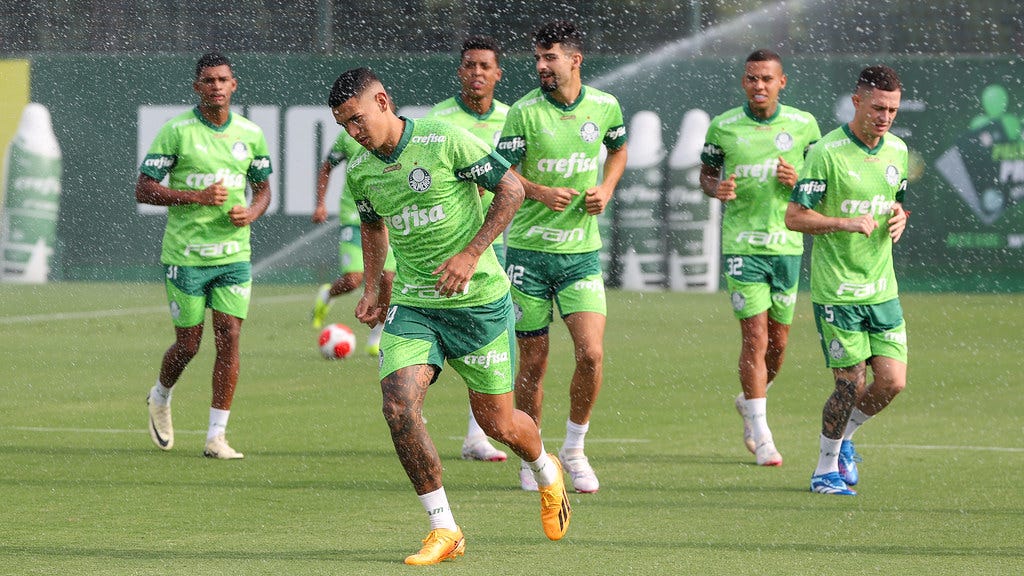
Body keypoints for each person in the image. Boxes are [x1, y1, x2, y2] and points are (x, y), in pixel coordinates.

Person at [328, 67, 571, 564]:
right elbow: (374, 230)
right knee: (398, 406)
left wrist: (471, 254)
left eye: (357, 120)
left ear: (382, 100)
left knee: (498, 424)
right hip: (416, 306)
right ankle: (444, 528)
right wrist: (375, 288)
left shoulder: (443, 140)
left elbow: (511, 190)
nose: (354, 133)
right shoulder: (361, 168)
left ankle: (547, 469)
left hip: (478, 305)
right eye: (344, 127)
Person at [496, 20, 628, 494]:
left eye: (549, 57)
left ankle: (574, 448)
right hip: (528, 256)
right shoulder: (523, 112)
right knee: (533, 363)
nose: (540, 66)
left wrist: (606, 190)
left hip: (580, 255)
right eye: (537, 57)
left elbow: (618, 150)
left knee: (590, 353)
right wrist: (538, 191)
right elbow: (502, 173)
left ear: (575, 60)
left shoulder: (605, 105)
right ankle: (536, 458)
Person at [137, 51, 273, 459]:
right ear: (198, 87)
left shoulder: (250, 133)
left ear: (234, 86)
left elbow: (263, 189)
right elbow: (143, 188)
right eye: (209, 80)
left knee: (229, 339)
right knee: (189, 345)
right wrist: (193, 196)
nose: (216, 86)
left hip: (233, 256)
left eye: (223, 79)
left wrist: (251, 211)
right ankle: (160, 395)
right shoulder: (176, 131)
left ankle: (216, 436)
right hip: (186, 255)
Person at [784, 65, 910, 495]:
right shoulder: (827, 152)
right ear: (857, 102)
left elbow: (898, 202)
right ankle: (824, 470)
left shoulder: (897, 151)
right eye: (878, 107)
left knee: (893, 382)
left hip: (883, 289)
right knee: (849, 383)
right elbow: (795, 216)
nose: (885, 116)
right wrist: (842, 222)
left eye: (892, 109)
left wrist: (900, 217)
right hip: (838, 289)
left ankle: (846, 439)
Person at [699, 49, 821, 467]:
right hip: (742, 246)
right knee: (755, 338)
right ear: (743, 81)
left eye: (767, 79)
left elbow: (820, 185)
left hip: (786, 245)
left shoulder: (804, 126)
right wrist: (716, 190)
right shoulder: (724, 126)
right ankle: (763, 434)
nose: (759, 86)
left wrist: (799, 180)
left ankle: (749, 402)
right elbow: (706, 174)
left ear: (782, 83)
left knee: (779, 345)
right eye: (752, 78)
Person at [426, 34, 511, 464]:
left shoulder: (512, 119)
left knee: (490, 336)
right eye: (469, 65)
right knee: (460, 330)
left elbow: (517, 180)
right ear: (460, 71)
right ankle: (476, 431)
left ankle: (479, 431)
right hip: (451, 242)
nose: (476, 73)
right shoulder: (439, 120)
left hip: (500, 241)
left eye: (485, 66)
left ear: (498, 74)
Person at [310, 128, 396, 357]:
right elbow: (327, 167)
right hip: (354, 217)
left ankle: (377, 333)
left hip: (387, 219)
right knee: (353, 280)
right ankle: (327, 295)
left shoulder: (395, 137)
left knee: (387, 279)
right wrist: (320, 203)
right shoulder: (349, 136)